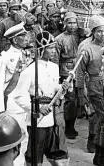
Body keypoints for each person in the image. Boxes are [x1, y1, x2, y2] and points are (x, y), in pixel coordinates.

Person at [14, 31, 70, 166]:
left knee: (59, 156)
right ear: (41, 50)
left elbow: (55, 91)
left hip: (55, 117)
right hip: (37, 119)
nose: (53, 51)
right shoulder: (30, 70)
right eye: (50, 48)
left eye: (54, 47)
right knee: (34, 158)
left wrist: (62, 88)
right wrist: (38, 108)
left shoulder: (54, 67)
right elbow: (19, 96)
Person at [76, 15, 104, 166]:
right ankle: (103, 156)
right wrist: (81, 95)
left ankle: (100, 158)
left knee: (103, 124)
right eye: (99, 31)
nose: (103, 34)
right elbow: (79, 73)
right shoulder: (86, 49)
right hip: (94, 89)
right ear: (92, 32)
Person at [0, 23, 31, 166]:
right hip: (11, 104)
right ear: (15, 40)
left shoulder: (26, 54)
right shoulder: (6, 57)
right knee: (14, 141)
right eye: (23, 36)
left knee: (24, 138)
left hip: (25, 103)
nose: (27, 38)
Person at [55, 12, 80, 139]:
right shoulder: (59, 39)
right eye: (69, 23)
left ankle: (73, 123)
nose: (72, 25)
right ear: (65, 24)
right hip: (66, 71)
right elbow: (55, 59)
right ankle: (69, 126)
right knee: (70, 100)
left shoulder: (80, 36)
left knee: (78, 100)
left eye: (74, 23)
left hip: (80, 70)